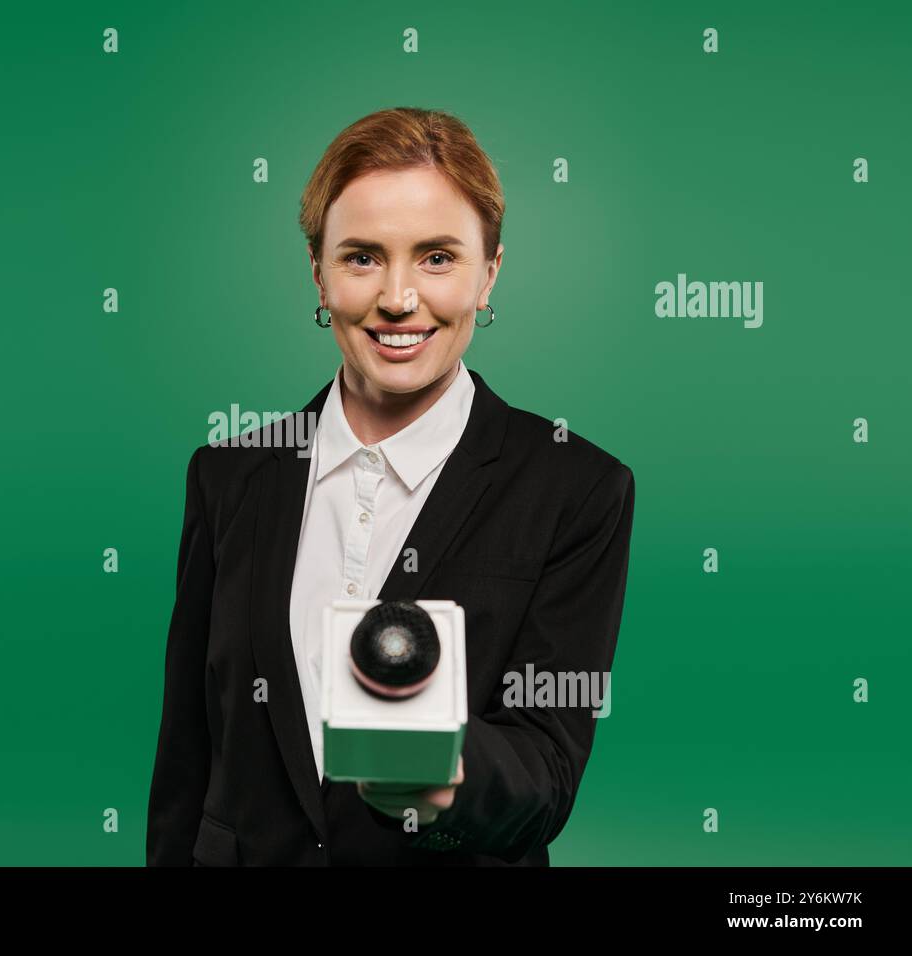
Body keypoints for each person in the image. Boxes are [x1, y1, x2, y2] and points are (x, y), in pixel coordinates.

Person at [147, 107, 636, 866]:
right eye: (362, 257)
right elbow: (186, 757)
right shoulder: (229, 476)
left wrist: (445, 770)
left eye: (438, 258)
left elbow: (547, 772)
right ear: (318, 271)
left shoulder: (577, 488)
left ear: (489, 273)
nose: (400, 298)